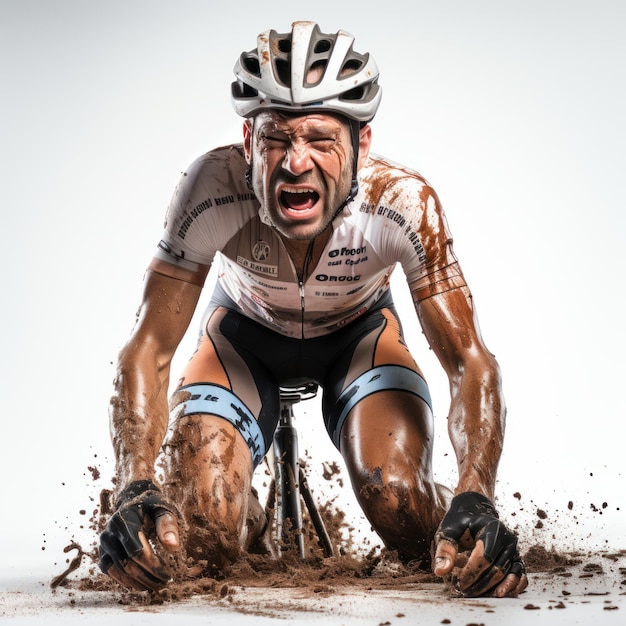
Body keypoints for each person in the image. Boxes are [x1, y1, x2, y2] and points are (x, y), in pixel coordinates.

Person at [98, 21, 528, 598]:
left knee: (399, 502)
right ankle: (238, 517)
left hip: (358, 339)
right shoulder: (209, 186)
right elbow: (149, 346)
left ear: (361, 146)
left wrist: (477, 493)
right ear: (249, 142)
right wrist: (133, 486)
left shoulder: (401, 202)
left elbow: (469, 360)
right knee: (201, 531)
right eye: (277, 138)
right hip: (243, 341)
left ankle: (457, 517)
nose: (296, 162)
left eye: (322, 139)